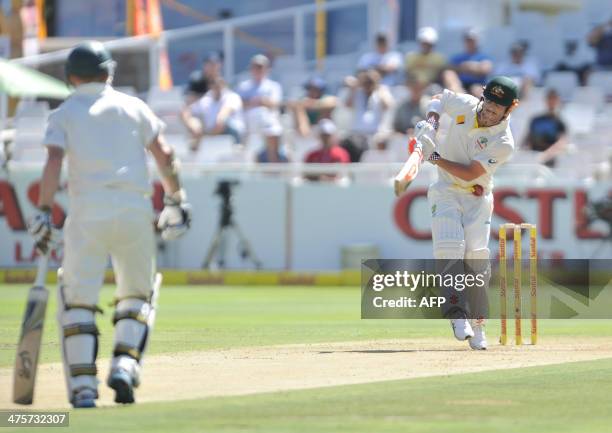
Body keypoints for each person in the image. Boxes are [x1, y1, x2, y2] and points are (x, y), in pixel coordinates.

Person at [28, 41, 191, 408]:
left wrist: (42, 210)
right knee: (138, 294)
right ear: (108, 72)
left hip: (86, 212)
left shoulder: (65, 112)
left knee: (77, 300)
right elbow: (165, 154)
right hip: (134, 210)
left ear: (70, 77)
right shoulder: (135, 106)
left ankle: (85, 388)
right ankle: (125, 364)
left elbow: (53, 163)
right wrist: (177, 199)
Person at [419, 76, 519, 350]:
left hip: (477, 196)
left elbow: (470, 174)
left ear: (510, 109)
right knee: (449, 247)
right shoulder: (466, 105)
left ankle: (478, 325)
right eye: (487, 104)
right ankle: (456, 313)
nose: (488, 112)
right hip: (445, 191)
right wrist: (431, 122)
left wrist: (433, 156)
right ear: (482, 96)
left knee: (476, 258)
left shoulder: (503, 141)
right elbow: (438, 99)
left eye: (496, 109)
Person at [343, 69, 394, 161]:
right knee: (348, 144)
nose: (368, 85)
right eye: (366, 82)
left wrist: (377, 86)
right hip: (357, 133)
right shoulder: (357, 92)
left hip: (376, 133)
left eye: (370, 82)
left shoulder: (381, 91)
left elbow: (387, 105)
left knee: (381, 142)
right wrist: (356, 86)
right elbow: (348, 104)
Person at [181, 77, 245, 147]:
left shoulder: (232, 97)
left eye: (218, 84)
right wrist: (192, 124)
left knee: (229, 124)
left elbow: (222, 118)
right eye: (213, 84)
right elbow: (186, 111)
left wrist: (209, 135)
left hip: (231, 134)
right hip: (212, 133)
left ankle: (238, 146)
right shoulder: (206, 100)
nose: (216, 87)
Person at [236, 54, 283, 134]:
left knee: (264, 116)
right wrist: (258, 101)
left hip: (268, 121)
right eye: (255, 67)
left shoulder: (274, 86)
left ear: (267, 69)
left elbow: (275, 104)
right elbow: (239, 104)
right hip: (248, 122)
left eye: (260, 67)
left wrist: (258, 101)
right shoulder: (243, 86)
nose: (258, 70)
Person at [523, 88, 567, 167]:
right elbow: (527, 139)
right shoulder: (536, 120)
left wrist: (545, 155)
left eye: (554, 99)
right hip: (533, 158)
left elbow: (561, 143)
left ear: (558, 101)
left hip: (550, 160)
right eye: (550, 98)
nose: (551, 101)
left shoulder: (560, 122)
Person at [448, 28, 493, 96]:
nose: (469, 43)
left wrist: (467, 67)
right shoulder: (457, 57)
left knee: (476, 89)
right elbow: (449, 68)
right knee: (449, 74)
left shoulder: (483, 56)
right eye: (467, 40)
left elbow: (486, 69)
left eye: (472, 40)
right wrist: (475, 68)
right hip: (460, 85)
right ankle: (459, 97)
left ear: (477, 41)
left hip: (477, 84)